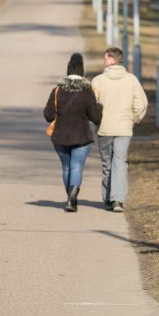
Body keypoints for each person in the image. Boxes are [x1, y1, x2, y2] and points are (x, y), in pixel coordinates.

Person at [43, 53, 102, 212]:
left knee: (66, 168)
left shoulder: (57, 91)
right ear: (82, 73)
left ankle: (70, 198)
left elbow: (48, 115)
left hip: (60, 137)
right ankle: (72, 198)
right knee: (77, 167)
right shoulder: (87, 91)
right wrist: (99, 108)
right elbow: (96, 117)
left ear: (67, 72)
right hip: (81, 136)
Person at [91, 47, 148, 212]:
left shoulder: (97, 81)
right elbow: (141, 103)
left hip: (104, 128)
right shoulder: (132, 80)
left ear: (111, 60)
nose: (104, 61)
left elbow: (92, 106)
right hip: (124, 128)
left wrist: (95, 121)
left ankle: (108, 198)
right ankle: (118, 200)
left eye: (105, 58)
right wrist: (134, 118)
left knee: (107, 163)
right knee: (120, 162)